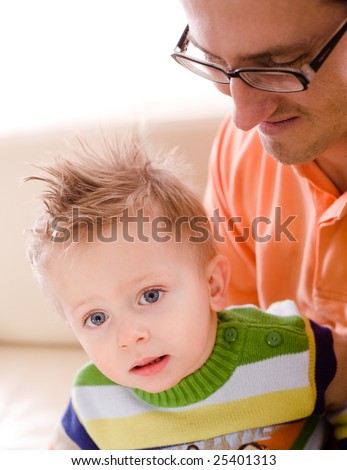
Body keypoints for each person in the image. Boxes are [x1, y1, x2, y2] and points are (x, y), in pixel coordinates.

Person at [25, 136, 347, 450]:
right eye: (96, 318)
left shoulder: (291, 350)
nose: (128, 336)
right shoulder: (93, 401)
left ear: (213, 286)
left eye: (150, 296)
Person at [171, 0, 347, 336]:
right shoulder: (242, 151)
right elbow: (224, 345)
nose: (244, 117)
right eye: (213, 60)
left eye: (280, 64)